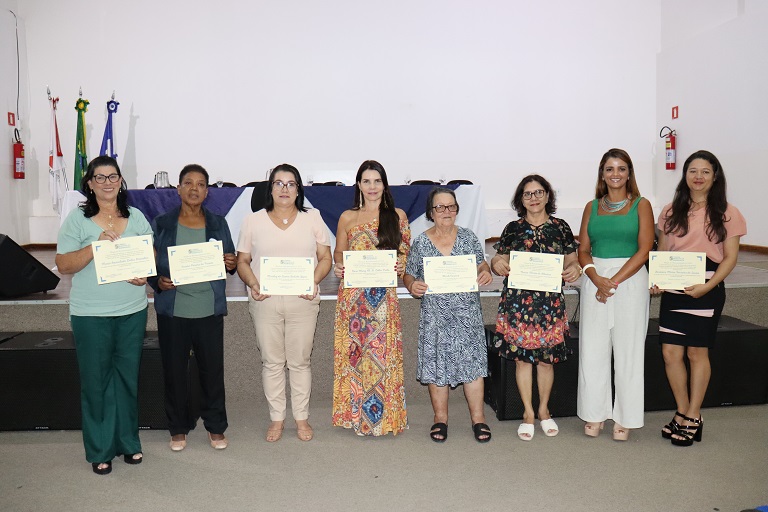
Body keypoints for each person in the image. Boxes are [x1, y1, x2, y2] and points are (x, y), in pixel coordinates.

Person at [56, 156, 151, 475]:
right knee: (96, 382)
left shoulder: (136, 217)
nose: (108, 183)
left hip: (132, 311)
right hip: (91, 314)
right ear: (90, 184)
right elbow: (64, 265)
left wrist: (143, 275)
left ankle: (128, 442)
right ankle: (100, 449)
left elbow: (147, 257)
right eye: (100, 177)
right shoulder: (76, 220)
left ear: (121, 181)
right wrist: (95, 247)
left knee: (127, 378)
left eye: (113, 177)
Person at [653, 150, 746, 446]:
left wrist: (709, 286)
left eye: (705, 171)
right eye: (693, 171)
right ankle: (682, 410)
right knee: (670, 353)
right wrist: (657, 280)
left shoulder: (728, 212)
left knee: (696, 353)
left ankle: (694, 414)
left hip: (708, 285)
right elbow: (664, 252)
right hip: (674, 287)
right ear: (685, 175)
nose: (698, 177)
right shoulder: (670, 210)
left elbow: (730, 258)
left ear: (715, 176)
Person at [237, 164, 332, 442]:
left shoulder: (313, 218)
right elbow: (242, 261)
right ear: (270, 188)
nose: (284, 189)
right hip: (264, 301)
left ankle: (301, 418)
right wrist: (254, 284)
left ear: (299, 189)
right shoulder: (252, 221)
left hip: (303, 301)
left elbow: (325, 258)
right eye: (278, 183)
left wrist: (313, 280)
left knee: (300, 362)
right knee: (272, 362)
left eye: (291, 184)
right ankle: (277, 419)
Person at [149, 164, 237, 452]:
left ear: (207, 191)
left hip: (207, 309)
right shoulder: (162, 223)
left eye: (200, 184)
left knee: (211, 372)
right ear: (178, 188)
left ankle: (216, 427)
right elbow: (150, 265)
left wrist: (231, 262)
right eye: (188, 183)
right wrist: (157, 281)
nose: (194, 188)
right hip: (173, 310)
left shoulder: (217, 222)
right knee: (174, 371)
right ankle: (178, 427)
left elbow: (230, 259)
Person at [490, 175, 581, 441]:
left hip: (549, 304)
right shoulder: (512, 228)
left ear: (547, 196)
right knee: (521, 360)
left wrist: (574, 269)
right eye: (528, 194)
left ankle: (544, 410)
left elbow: (572, 260)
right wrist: (496, 263)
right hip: (518, 303)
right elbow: (499, 257)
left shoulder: (561, 227)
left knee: (545, 360)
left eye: (539, 192)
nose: (534, 198)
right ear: (521, 199)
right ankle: (527, 413)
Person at [576, 148, 655, 441]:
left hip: (630, 280)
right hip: (595, 280)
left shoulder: (642, 205)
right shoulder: (591, 206)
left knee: (628, 351)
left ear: (629, 173)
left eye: (621, 168)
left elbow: (645, 248)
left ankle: (625, 416)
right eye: (610, 169)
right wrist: (596, 278)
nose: (615, 174)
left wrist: (613, 282)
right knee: (593, 350)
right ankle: (594, 413)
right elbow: (583, 249)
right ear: (602, 174)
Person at [404, 187, 493, 443]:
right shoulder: (421, 241)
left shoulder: (468, 237)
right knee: (436, 365)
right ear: (431, 212)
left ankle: (479, 419)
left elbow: (481, 263)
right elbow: (409, 273)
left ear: (457, 209)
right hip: (435, 317)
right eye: (440, 207)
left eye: (451, 206)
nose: (446, 211)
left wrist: (485, 271)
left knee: (473, 367)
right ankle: (440, 419)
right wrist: (412, 285)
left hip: (467, 315)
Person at [331, 160, 411, 436]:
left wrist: (401, 265)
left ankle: (383, 419)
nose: (372, 186)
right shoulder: (347, 217)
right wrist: (338, 266)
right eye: (366, 181)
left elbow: (404, 255)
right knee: (355, 358)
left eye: (377, 181)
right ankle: (355, 416)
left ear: (384, 185)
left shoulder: (397, 215)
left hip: (382, 303)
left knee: (381, 358)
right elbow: (339, 254)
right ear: (359, 185)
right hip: (353, 301)